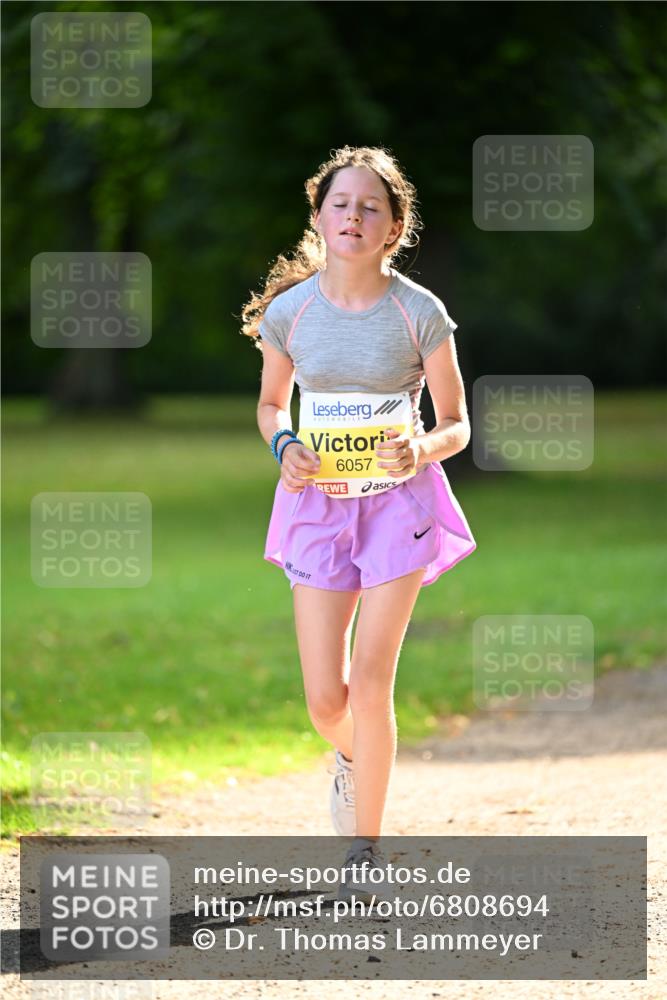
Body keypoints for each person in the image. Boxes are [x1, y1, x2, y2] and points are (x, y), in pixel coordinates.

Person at [241, 145, 476, 902]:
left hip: (397, 508)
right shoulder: (291, 312)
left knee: (370, 688)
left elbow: (458, 424)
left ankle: (363, 851)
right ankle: (357, 758)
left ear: (393, 227)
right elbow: (272, 405)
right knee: (325, 702)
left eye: (370, 206)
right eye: (340, 203)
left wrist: (421, 446)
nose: (353, 216)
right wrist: (283, 444)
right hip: (315, 507)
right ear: (318, 218)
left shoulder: (419, 311)